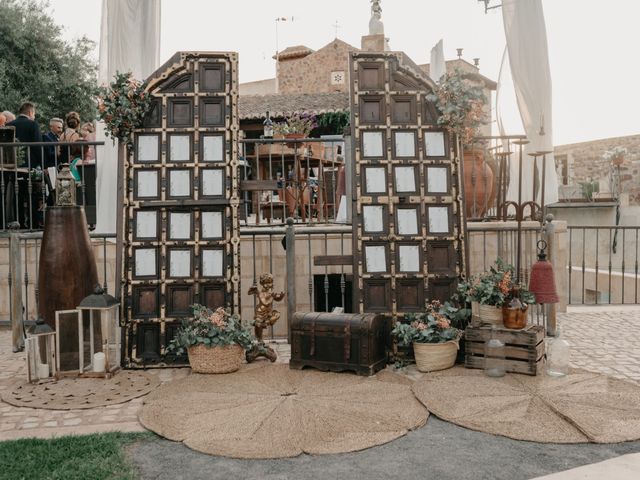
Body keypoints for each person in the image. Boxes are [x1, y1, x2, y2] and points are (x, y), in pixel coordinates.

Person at [7, 102, 42, 166]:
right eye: (34, 114)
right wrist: (43, 164)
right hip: (29, 162)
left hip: (11, 162)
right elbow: (38, 145)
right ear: (30, 112)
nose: (34, 117)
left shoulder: (8, 124)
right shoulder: (33, 124)